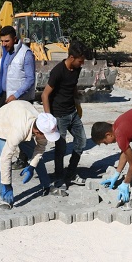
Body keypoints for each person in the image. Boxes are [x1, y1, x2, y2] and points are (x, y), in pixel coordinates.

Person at [0, 100, 64, 209]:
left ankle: (46, 186)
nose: (47, 138)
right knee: (4, 160)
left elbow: (40, 149)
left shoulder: (43, 124)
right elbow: (5, 158)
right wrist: (6, 183)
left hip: (21, 114)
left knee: (38, 157)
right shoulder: (18, 132)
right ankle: (5, 197)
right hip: (4, 124)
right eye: (46, 135)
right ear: (38, 132)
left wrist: (31, 166)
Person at [0, 26, 36, 172]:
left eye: (7, 41)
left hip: (21, 98)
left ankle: (24, 159)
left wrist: (16, 95)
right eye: (2, 41)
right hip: (5, 96)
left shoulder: (26, 54)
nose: (4, 44)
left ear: (15, 39)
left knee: (23, 129)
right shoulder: (6, 52)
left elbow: (30, 79)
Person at [41, 40, 87, 185]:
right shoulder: (58, 71)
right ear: (72, 58)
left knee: (82, 141)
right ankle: (59, 175)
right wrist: (49, 118)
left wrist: (77, 101)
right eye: (80, 61)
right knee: (61, 148)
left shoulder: (77, 69)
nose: (82, 64)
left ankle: (71, 172)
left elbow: (72, 86)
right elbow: (44, 95)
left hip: (72, 113)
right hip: (59, 116)